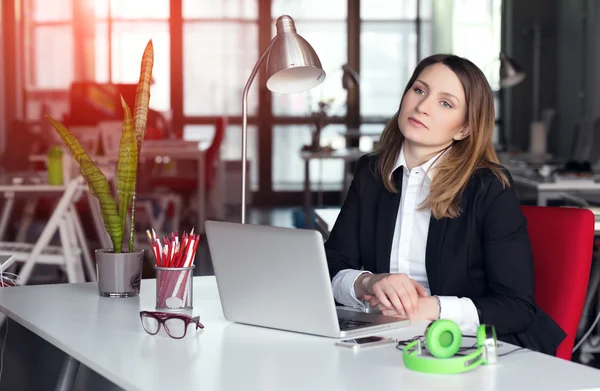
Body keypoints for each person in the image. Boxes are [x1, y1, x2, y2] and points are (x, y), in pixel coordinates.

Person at [325, 54, 566, 355]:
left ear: (464, 129)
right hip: (388, 338)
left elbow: (516, 306)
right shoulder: (371, 172)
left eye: (445, 103)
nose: (422, 106)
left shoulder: (488, 186)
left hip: (465, 346)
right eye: (419, 90)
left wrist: (432, 308)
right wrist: (367, 282)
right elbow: (331, 265)